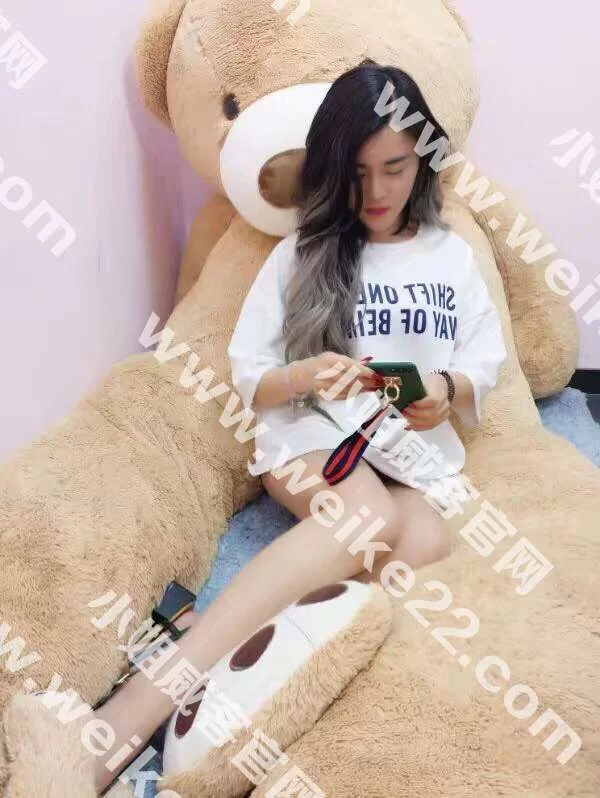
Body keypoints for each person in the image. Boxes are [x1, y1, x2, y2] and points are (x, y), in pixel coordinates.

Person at [59, 63, 507, 794]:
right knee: (366, 517)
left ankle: (220, 665)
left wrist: (445, 392)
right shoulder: (302, 252)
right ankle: (137, 709)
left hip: (411, 452)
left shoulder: (451, 256)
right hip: (311, 434)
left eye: (395, 168)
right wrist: (308, 376)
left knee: (423, 545)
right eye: (356, 173)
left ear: (422, 161)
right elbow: (252, 375)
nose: (376, 191)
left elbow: (481, 363)